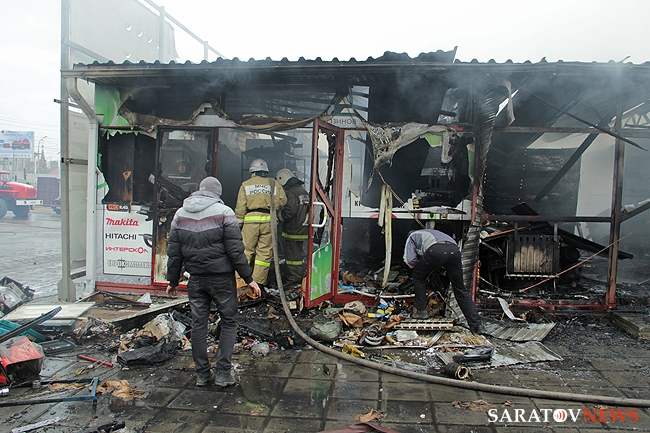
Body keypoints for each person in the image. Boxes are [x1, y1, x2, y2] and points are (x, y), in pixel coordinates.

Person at [166, 176, 261, 387]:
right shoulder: (224, 212)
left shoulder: (180, 214)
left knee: (198, 325)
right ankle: (223, 374)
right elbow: (235, 251)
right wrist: (249, 279)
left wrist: (172, 281)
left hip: (196, 279)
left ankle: (202, 375)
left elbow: (174, 253)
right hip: (221, 280)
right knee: (228, 322)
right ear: (217, 193)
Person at [403, 228, 485, 334]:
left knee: (418, 277)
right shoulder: (433, 233)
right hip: (454, 251)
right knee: (460, 289)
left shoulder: (412, 236)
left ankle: (421, 311)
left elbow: (410, 260)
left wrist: (419, 269)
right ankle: (477, 325)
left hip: (436, 251)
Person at [235, 158, 287, 286]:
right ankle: (257, 284)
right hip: (269, 222)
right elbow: (283, 201)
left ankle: (240, 282)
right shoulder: (274, 183)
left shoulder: (246, 184)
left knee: (245, 251)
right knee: (264, 254)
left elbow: (240, 207)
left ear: (253, 172)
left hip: (250, 222)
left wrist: (238, 225)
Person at [275, 168, 310, 284]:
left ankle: (293, 277)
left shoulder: (292, 193)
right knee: (297, 255)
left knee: (292, 256)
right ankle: (296, 275)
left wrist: (278, 217)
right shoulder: (302, 191)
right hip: (303, 228)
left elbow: (289, 211)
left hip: (294, 229)